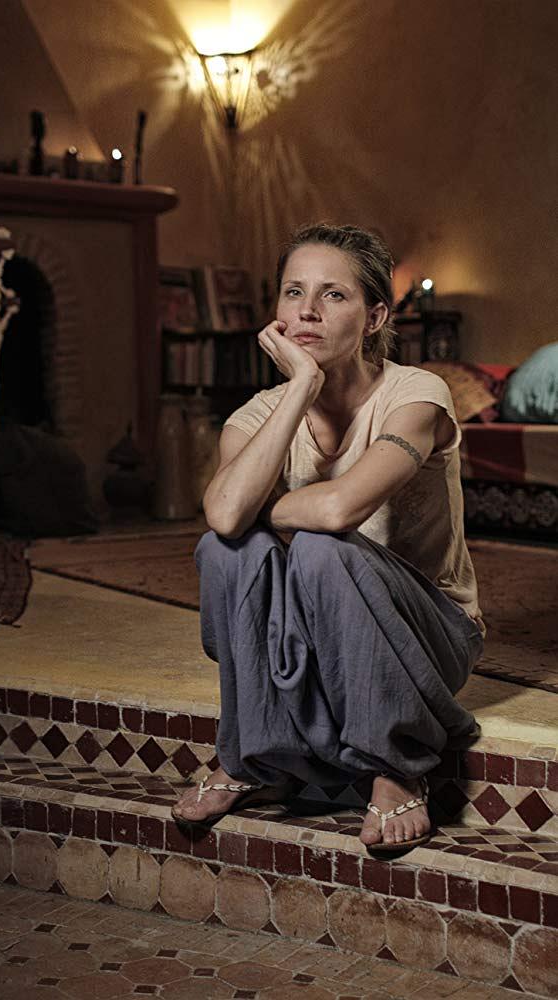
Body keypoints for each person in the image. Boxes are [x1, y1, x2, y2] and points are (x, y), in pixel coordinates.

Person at [171, 223, 484, 852]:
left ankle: (395, 763)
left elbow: (341, 506)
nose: (307, 310)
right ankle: (256, 756)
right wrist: (300, 388)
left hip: (429, 633)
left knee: (319, 545)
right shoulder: (258, 414)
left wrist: (267, 509)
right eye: (293, 292)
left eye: (333, 294)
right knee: (226, 549)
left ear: (375, 317)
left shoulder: (416, 395)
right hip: (315, 631)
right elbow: (224, 519)